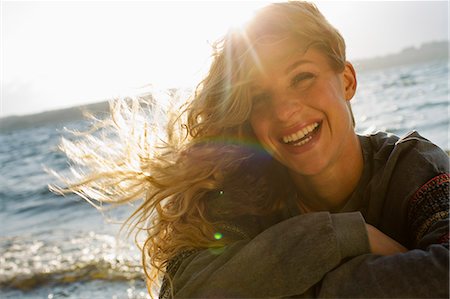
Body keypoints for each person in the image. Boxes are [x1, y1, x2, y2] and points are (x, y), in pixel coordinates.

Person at [53, 1, 449, 298]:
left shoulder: (413, 168)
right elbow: (183, 288)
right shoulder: (249, 192)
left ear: (346, 80)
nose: (284, 111)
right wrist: (341, 234)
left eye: (302, 77)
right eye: (259, 98)